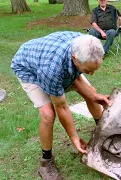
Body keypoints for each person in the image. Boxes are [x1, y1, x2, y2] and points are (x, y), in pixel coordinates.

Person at [11, 31, 111, 180]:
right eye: (88, 70)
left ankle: (101, 136)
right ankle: (46, 161)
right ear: (75, 59)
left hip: (55, 60)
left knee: (92, 94)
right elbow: (62, 107)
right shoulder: (51, 70)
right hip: (29, 68)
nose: (91, 74)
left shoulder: (85, 43)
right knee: (48, 115)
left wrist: (94, 96)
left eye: (94, 69)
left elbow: (74, 75)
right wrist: (75, 138)